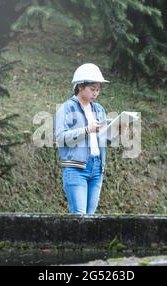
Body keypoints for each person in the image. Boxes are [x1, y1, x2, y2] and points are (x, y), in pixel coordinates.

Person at [54, 63, 109, 214]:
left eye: (98, 90)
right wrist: (87, 130)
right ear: (80, 87)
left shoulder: (99, 109)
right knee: (79, 216)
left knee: (90, 218)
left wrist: (117, 131)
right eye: (92, 89)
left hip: (97, 167)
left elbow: (104, 138)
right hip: (75, 168)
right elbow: (60, 138)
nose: (96, 93)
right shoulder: (66, 108)